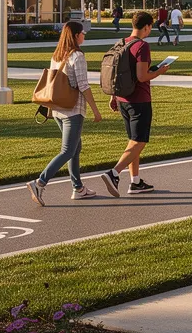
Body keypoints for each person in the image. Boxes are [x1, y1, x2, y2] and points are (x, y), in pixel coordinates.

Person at [27, 22, 105, 205]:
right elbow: (83, 86)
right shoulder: (77, 56)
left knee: (75, 148)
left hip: (57, 109)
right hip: (72, 110)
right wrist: (95, 110)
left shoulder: (57, 55)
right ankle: (39, 183)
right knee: (68, 150)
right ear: (77, 35)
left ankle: (78, 188)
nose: (84, 36)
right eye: (83, 33)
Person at [98, 12, 172, 196]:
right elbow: (142, 76)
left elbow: (120, 73)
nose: (150, 30)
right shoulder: (142, 46)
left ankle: (135, 182)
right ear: (146, 26)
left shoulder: (122, 43)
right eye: (150, 27)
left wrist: (114, 96)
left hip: (123, 99)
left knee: (133, 141)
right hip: (139, 100)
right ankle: (114, 173)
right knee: (140, 141)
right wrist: (160, 71)